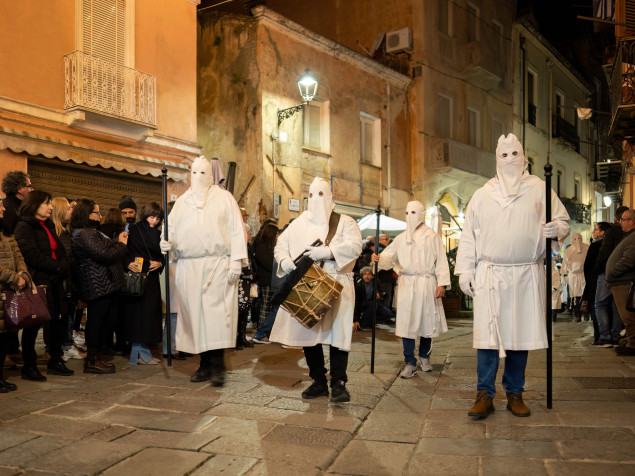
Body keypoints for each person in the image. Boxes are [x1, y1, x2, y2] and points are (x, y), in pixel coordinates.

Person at [455, 133, 570, 419]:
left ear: (523, 158)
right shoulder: (482, 195)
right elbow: (468, 235)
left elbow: (563, 221)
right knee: (488, 337)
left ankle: (515, 393)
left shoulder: (540, 189)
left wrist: (556, 230)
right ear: (497, 159)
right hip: (490, 274)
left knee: (520, 336)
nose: (509, 160)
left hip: (526, 273)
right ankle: (484, 393)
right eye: (503, 155)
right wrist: (464, 270)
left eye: (513, 155)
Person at [269, 177, 362, 402]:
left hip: (337, 282)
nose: (316, 199)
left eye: (321, 194)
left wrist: (329, 252)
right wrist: (284, 261)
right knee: (309, 334)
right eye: (311, 195)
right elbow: (280, 246)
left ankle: (339, 383)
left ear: (329, 196)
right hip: (308, 283)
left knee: (338, 334)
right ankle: (318, 381)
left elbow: (355, 246)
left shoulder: (345, 222)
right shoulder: (299, 222)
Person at [160, 156, 247, 387]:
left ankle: (217, 364)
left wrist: (236, 261)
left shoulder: (225, 198)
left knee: (216, 317)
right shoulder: (182, 202)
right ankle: (204, 363)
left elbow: (237, 230)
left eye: (202, 172)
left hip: (217, 265)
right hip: (189, 266)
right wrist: (166, 243)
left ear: (210, 175)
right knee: (195, 317)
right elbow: (170, 230)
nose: (197, 177)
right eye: (194, 172)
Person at [372, 200, 451, 377]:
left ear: (421, 214)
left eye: (414, 213)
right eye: (407, 213)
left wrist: (441, 283)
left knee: (426, 321)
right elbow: (388, 257)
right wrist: (378, 259)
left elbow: (441, 260)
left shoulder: (432, 236)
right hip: (407, 284)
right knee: (407, 323)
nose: (410, 217)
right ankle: (409, 361)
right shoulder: (401, 238)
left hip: (426, 283)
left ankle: (424, 356)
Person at [14, 190, 74, 379]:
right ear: (35, 205)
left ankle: (55, 360)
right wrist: (57, 268)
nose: (51, 207)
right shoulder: (24, 226)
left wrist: (63, 266)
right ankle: (29, 366)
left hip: (55, 281)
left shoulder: (47, 225)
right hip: (38, 281)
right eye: (47, 203)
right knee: (33, 324)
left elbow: (61, 251)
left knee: (57, 321)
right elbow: (30, 254)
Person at [71, 199, 128, 373]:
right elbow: (104, 254)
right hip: (97, 282)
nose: (100, 215)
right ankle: (92, 360)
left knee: (104, 320)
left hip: (104, 282)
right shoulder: (84, 233)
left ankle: (96, 356)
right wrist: (121, 244)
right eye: (97, 212)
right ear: (86, 214)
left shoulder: (90, 231)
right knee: (95, 321)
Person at [125, 202, 165, 365]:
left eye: (157, 218)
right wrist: (127, 263)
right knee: (138, 315)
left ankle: (144, 351)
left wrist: (160, 263)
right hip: (135, 277)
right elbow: (121, 248)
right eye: (151, 216)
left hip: (152, 278)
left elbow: (163, 254)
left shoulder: (159, 233)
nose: (154, 221)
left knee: (150, 315)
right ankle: (138, 353)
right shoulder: (133, 229)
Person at [0, 194, 30, 392]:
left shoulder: (6, 232)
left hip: (9, 293)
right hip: (5, 286)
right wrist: (13, 278)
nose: (3, 209)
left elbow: (19, 255)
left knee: (4, 338)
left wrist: (23, 276)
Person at [51, 196, 85, 361]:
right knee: (64, 316)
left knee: (69, 315)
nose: (71, 211)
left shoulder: (67, 232)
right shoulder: (58, 234)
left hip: (69, 282)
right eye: (68, 208)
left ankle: (67, 344)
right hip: (62, 282)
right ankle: (64, 347)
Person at [594, 206, 629, 347]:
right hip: (624, 274)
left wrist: (598, 270)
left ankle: (605, 336)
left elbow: (604, 253)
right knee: (617, 306)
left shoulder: (612, 232)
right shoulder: (628, 233)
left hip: (607, 273)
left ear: (616, 218)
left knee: (600, 304)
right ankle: (615, 336)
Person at [605, 209, 635, 356]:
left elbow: (628, 260)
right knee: (626, 316)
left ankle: (633, 344)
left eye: (623, 219)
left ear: (632, 221)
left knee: (628, 316)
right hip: (619, 281)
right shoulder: (629, 236)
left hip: (623, 282)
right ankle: (630, 342)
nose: (620, 222)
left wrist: (612, 272)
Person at [582, 222, 612, 344]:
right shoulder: (612, 244)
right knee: (608, 307)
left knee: (597, 307)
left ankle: (599, 335)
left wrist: (589, 278)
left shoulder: (595, 246)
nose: (593, 232)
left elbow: (587, 265)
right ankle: (609, 334)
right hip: (610, 278)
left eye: (596, 229)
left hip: (595, 279)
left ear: (602, 232)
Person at [252, 223, 279, 344]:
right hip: (266, 280)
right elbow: (268, 264)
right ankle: (260, 334)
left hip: (269, 280)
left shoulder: (266, 246)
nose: (278, 236)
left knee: (268, 306)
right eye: (276, 234)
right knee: (265, 306)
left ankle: (262, 333)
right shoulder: (262, 247)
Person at [353, 267, 392, 331]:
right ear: (362, 276)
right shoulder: (359, 284)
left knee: (388, 313)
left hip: (374, 303)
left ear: (372, 276)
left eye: (369, 274)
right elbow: (356, 303)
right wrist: (356, 320)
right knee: (372, 304)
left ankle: (368, 322)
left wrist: (380, 295)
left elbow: (381, 292)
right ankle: (364, 325)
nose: (367, 276)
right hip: (363, 304)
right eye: (365, 274)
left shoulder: (376, 281)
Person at [561, 233, 589, 322]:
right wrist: (565, 274)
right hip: (573, 276)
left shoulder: (587, 248)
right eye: (575, 239)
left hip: (584, 275)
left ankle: (585, 313)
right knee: (576, 297)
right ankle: (578, 314)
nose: (577, 240)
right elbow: (565, 263)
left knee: (584, 296)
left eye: (579, 238)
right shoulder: (569, 250)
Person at [1, 171, 32, 236]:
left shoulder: (23, 205)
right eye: (29, 186)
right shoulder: (7, 208)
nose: (31, 189)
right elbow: (9, 234)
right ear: (19, 189)